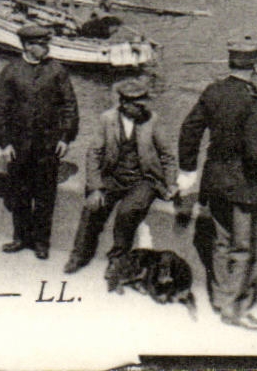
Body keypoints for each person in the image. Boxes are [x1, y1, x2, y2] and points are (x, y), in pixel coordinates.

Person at [177, 37, 257, 333]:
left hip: (214, 180)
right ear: (256, 65)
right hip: (243, 184)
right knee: (244, 247)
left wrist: (188, 168)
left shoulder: (214, 91)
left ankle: (222, 300)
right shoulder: (253, 99)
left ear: (232, 62)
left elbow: (189, 129)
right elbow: (255, 149)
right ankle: (236, 309)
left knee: (220, 242)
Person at [63, 79, 178, 275]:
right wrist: (96, 188)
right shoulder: (107, 119)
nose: (143, 109)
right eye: (138, 105)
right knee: (92, 209)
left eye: (144, 104)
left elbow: (167, 154)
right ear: (124, 104)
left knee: (127, 211)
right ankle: (79, 255)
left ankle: (116, 260)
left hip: (144, 180)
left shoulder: (152, 120)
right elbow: (94, 154)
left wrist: (171, 182)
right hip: (113, 177)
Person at [0, 23, 79, 261]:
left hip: (47, 147)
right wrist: (4, 143)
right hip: (18, 147)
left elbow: (70, 105)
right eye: (40, 44)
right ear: (28, 46)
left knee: (44, 196)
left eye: (45, 43)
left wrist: (65, 137)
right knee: (19, 195)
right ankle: (21, 238)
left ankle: (41, 242)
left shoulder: (57, 71)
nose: (45, 48)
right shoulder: (11, 71)